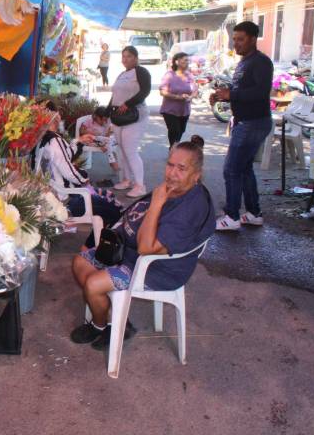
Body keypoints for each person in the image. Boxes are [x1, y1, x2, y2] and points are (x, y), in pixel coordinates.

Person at [69, 136, 215, 349]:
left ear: (196, 175)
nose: (172, 173)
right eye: (170, 165)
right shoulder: (176, 190)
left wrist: (156, 203)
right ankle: (113, 321)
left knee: (93, 284)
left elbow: (147, 249)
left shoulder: (189, 209)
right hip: (129, 252)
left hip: (156, 268)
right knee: (80, 263)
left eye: (181, 168)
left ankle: (99, 324)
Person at [34, 102, 124, 249]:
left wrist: (79, 141)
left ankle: (92, 244)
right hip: (67, 201)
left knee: (106, 200)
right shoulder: (54, 140)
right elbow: (69, 171)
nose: (60, 117)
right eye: (58, 113)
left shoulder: (42, 138)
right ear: (54, 116)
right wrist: (85, 180)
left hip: (56, 195)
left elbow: (64, 155)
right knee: (115, 209)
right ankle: (93, 248)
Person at [214, 21, 273, 231]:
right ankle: (253, 213)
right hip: (245, 121)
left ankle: (231, 216)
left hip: (253, 123)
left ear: (253, 39)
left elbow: (261, 92)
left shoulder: (261, 62)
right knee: (244, 169)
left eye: (240, 39)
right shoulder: (244, 62)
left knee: (231, 169)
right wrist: (224, 94)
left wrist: (233, 94)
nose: (236, 43)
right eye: (235, 39)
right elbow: (242, 89)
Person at [110, 45, 151, 198]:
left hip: (135, 115)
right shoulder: (122, 74)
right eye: (123, 56)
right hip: (119, 118)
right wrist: (107, 111)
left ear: (136, 58)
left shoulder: (141, 71)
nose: (125, 59)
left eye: (128, 56)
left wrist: (128, 104)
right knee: (122, 150)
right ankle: (127, 180)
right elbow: (114, 95)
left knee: (130, 150)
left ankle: (140, 185)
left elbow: (145, 91)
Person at [160, 52, 198, 147]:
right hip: (170, 110)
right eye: (185, 60)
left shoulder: (189, 75)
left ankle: (174, 147)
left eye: (188, 60)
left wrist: (191, 97)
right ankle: (173, 149)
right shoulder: (169, 75)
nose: (187, 62)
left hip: (184, 110)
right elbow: (162, 92)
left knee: (181, 130)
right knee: (174, 130)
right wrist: (178, 97)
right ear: (177, 61)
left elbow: (195, 90)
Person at [79, 107, 120, 173]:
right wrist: (91, 132)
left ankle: (110, 156)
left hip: (103, 141)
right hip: (92, 141)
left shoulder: (106, 123)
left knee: (112, 140)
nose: (103, 122)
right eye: (102, 120)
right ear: (96, 116)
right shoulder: (89, 121)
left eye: (105, 120)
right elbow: (81, 131)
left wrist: (109, 132)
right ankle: (112, 161)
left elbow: (106, 136)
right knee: (109, 141)